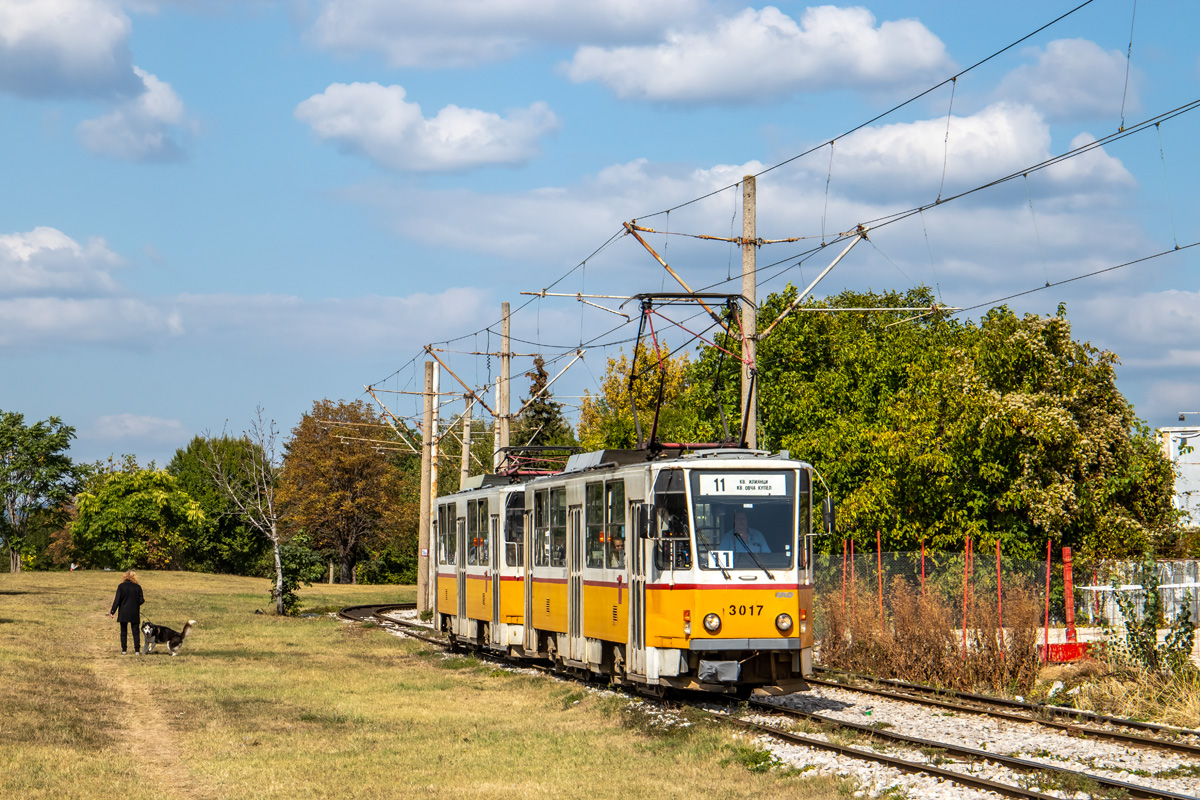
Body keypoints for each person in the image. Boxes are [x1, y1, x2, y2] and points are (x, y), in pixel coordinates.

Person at [108, 570, 145, 655]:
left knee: (123, 631)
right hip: (134, 612)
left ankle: (124, 650)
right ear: (135, 577)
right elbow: (141, 600)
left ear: (124, 577)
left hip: (123, 611)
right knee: (135, 632)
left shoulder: (121, 587)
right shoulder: (137, 587)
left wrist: (112, 611)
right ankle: (136, 650)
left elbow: (117, 600)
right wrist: (136, 604)